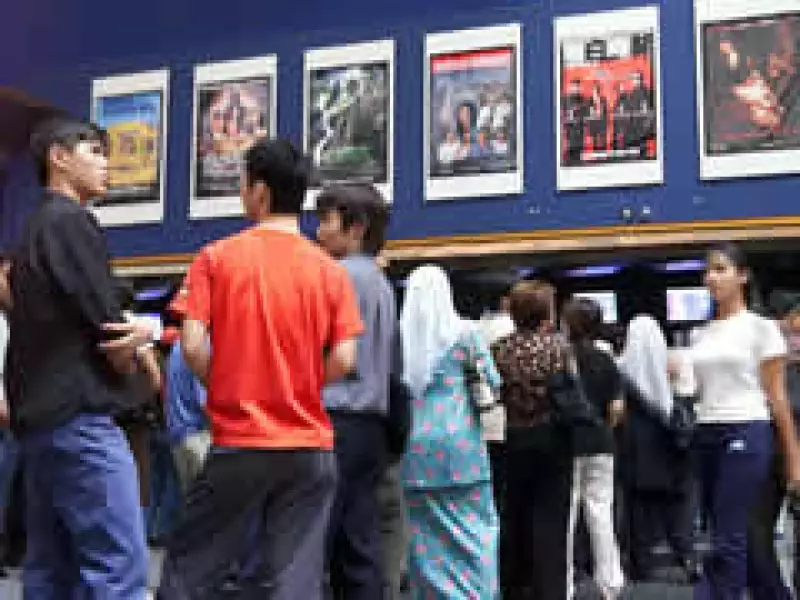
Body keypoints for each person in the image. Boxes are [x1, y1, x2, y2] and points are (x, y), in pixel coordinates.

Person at [157, 137, 363, 600]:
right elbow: (346, 358)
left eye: (243, 184)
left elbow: (191, 344)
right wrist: (300, 384)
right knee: (293, 583)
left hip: (241, 442)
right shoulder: (331, 271)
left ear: (261, 192)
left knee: (190, 573)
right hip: (311, 448)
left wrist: (228, 383)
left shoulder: (216, 258)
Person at [5, 117, 155, 598]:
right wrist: (137, 352)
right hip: (80, 419)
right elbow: (108, 327)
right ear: (59, 157)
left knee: (51, 568)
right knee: (119, 563)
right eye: (95, 151)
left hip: (41, 422)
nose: (107, 164)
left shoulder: (31, 232)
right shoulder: (70, 221)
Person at [682, 243, 800, 599]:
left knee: (729, 537)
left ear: (743, 276)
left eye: (721, 269)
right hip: (706, 433)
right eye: (707, 270)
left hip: (748, 430)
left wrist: (794, 461)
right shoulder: (699, 334)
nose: (711, 277)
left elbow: (777, 399)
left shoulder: (761, 329)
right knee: (722, 532)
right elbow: (699, 392)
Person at [315, 183, 399, 600]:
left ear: (357, 228)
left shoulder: (337, 275)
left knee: (315, 542)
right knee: (360, 547)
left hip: (334, 422)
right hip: (371, 427)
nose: (318, 231)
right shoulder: (382, 283)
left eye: (327, 220)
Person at [400, 265, 502, 599]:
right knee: (477, 529)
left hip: (415, 449)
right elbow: (493, 383)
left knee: (425, 537)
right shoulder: (466, 333)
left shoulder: (399, 339)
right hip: (463, 447)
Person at [491, 280, 574, 600]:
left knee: (516, 517)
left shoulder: (499, 349)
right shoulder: (557, 347)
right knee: (552, 523)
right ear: (545, 311)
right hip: (553, 439)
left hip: (514, 439)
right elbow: (570, 389)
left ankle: (516, 588)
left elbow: (491, 393)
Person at [618, 315, 695, 582]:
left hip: (635, 448)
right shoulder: (671, 363)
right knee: (676, 507)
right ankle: (687, 556)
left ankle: (641, 564)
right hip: (667, 444)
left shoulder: (620, 368)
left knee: (638, 511)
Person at [562, 297, 626, 600]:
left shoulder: (561, 358)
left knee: (568, 517)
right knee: (601, 514)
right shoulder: (606, 359)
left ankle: (565, 584)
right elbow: (616, 408)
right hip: (602, 443)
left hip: (569, 445)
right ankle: (610, 584)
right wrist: (604, 428)